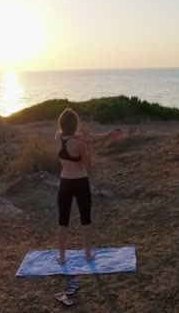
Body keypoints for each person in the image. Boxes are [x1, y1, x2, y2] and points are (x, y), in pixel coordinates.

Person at [54, 108, 123, 264]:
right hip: (80, 182)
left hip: (64, 182)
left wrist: (105, 136)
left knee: (63, 220)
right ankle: (87, 254)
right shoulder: (79, 143)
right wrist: (87, 146)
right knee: (86, 219)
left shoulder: (58, 135)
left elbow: (81, 137)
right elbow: (89, 165)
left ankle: (62, 257)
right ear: (75, 124)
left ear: (62, 123)